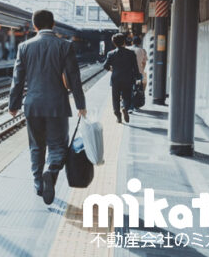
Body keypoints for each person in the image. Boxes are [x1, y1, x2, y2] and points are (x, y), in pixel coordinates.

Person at [9, 10, 86, 205]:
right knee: (58, 145)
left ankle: (38, 185)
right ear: (53, 25)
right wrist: (80, 104)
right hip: (57, 104)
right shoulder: (64, 46)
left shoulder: (24, 47)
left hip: (33, 104)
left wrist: (14, 104)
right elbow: (74, 78)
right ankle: (50, 174)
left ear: (34, 26)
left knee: (36, 146)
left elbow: (17, 79)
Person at [103, 33, 141, 123]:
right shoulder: (131, 53)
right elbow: (135, 68)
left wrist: (111, 69)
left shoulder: (111, 54)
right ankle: (125, 108)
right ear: (124, 42)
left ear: (114, 43)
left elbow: (105, 66)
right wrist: (138, 77)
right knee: (127, 97)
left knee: (115, 98)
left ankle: (118, 116)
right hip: (128, 79)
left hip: (115, 79)